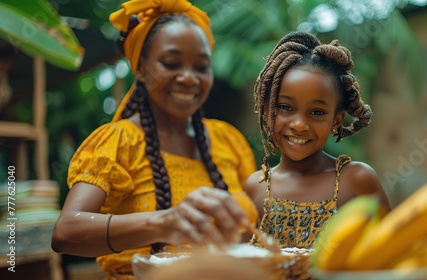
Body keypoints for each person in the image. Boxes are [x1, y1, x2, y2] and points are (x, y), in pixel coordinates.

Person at [51, 0, 257, 278]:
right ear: (140, 69)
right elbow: (66, 232)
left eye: (201, 66)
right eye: (171, 63)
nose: (188, 78)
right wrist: (161, 222)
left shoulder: (228, 140)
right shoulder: (118, 142)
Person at [244, 31, 391, 249]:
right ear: (267, 112)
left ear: (336, 120)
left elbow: (391, 253)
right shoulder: (254, 188)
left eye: (317, 112)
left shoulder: (357, 181)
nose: (299, 124)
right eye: (286, 107)